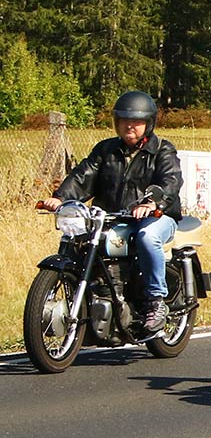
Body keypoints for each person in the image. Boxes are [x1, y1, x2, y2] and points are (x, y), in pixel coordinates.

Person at [42, 91, 183, 335]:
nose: (129, 125)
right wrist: (60, 198)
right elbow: (82, 175)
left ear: (148, 123)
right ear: (116, 122)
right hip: (111, 217)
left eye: (136, 121)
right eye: (124, 120)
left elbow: (171, 181)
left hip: (157, 216)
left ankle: (155, 302)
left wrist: (152, 203)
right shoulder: (106, 150)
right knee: (79, 240)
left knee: (147, 238)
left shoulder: (162, 150)